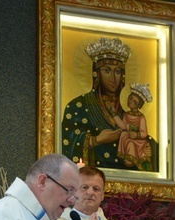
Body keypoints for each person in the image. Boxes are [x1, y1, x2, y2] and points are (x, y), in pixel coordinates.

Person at [61, 37, 158, 171]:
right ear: (97, 73)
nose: (113, 78)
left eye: (117, 72)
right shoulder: (78, 106)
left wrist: (149, 148)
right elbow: (66, 139)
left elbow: (144, 137)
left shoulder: (129, 107)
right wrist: (95, 140)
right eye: (107, 70)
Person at [114, 82, 153, 170]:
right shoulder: (126, 114)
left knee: (131, 143)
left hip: (138, 141)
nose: (131, 102)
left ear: (139, 105)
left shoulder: (141, 117)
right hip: (128, 136)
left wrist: (136, 135)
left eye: (134, 102)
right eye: (130, 99)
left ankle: (131, 159)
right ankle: (128, 158)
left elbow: (144, 133)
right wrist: (114, 115)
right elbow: (123, 127)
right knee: (124, 135)